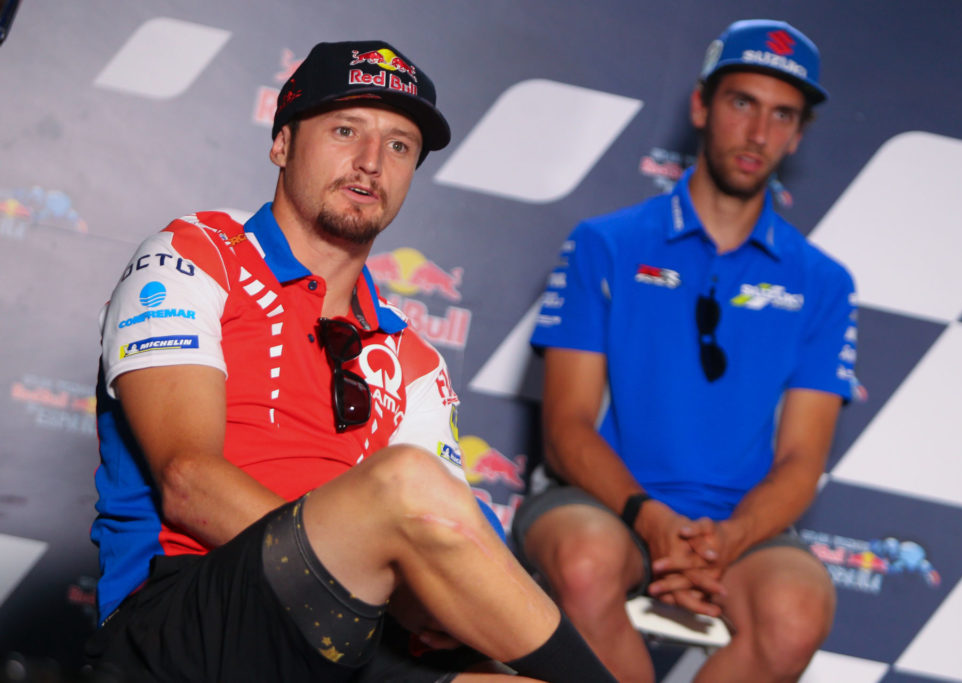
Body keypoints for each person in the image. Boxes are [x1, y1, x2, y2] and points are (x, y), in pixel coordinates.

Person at [85, 40, 615, 683]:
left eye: (399, 146)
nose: (370, 163)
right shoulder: (195, 255)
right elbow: (189, 482)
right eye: (344, 131)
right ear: (281, 142)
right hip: (185, 618)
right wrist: (374, 567)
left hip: (346, 635)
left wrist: (413, 594)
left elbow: (450, 561)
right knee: (410, 483)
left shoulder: (412, 359)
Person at [512, 19, 860, 683]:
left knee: (797, 607)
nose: (758, 133)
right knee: (585, 562)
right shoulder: (606, 243)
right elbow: (566, 429)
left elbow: (801, 458)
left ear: (798, 133)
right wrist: (653, 518)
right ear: (702, 105)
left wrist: (725, 538)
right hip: (603, 506)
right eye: (741, 103)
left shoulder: (824, 283)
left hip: (739, 533)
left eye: (782, 114)